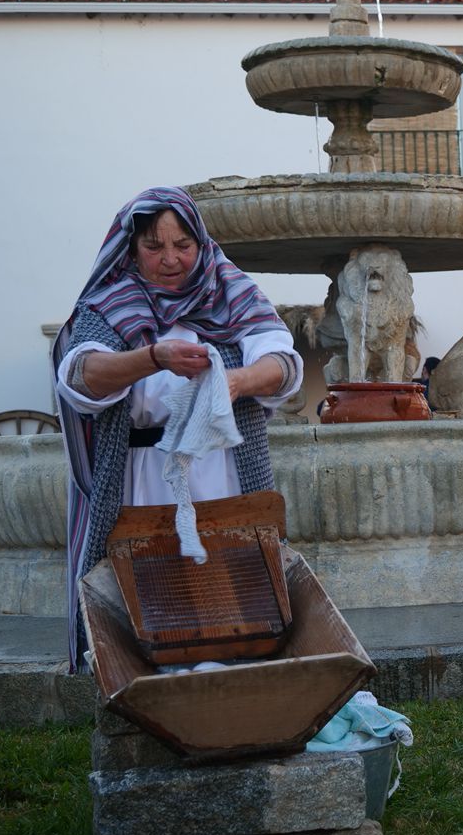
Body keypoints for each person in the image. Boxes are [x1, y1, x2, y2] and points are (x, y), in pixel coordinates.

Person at [53, 187, 302, 672]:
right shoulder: (108, 305)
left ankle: (238, 680)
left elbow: (284, 365)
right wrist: (151, 358)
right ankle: (147, 687)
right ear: (131, 248)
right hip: (144, 480)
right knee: (155, 593)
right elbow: (80, 375)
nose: (170, 258)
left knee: (229, 590)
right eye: (154, 246)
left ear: (201, 243)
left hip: (223, 473)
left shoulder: (231, 292)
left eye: (183, 245)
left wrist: (237, 382)